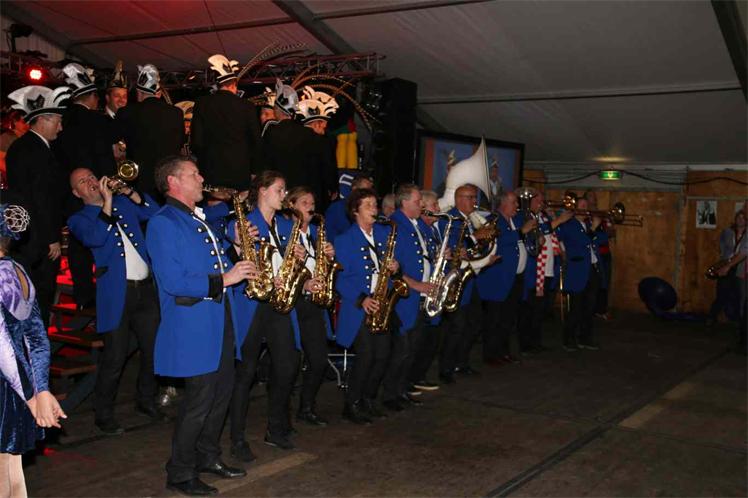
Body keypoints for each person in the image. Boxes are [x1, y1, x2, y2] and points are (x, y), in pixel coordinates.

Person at [146, 156, 255, 496]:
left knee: (221, 394)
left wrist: (237, 249)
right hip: (192, 325)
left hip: (219, 320)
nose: (201, 177)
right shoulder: (163, 222)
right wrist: (226, 278)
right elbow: (174, 280)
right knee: (199, 402)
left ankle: (208, 456)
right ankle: (179, 472)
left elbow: (215, 260)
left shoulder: (196, 218)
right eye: (194, 174)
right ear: (173, 182)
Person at [67, 168, 162, 435]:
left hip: (145, 290)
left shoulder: (123, 204)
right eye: (82, 182)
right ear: (76, 193)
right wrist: (107, 203)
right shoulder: (78, 219)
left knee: (153, 350)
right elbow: (96, 237)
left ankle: (146, 400)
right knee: (114, 357)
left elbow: (154, 213)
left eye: (91, 177)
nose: (90, 182)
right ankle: (104, 413)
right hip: (116, 295)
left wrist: (129, 192)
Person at [228, 171, 308, 454]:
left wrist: (297, 258)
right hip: (252, 303)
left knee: (287, 365)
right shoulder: (244, 222)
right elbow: (233, 252)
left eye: (285, 190)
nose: (284, 195)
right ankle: (237, 439)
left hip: (278, 302)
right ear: (262, 191)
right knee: (245, 373)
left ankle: (276, 427)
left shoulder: (286, 225)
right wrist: (238, 241)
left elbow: (290, 262)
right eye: (279, 189)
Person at [0, 203, 66, 497]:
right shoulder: (17, 271)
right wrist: (40, 389)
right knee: (10, 469)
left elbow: (3, 346)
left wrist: (32, 397)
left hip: (9, 386)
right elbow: (37, 337)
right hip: (13, 388)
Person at [5, 85, 71, 327]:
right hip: (37, 242)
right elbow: (39, 198)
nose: (60, 128)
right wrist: (51, 237)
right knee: (39, 298)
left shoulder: (26, 146)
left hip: (28, 238)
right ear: (44, 119)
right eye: (58, 122)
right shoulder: (35, 150)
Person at [334, 187, 399, 424]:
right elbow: (340, 278)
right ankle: (351, 403)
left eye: (375, 204)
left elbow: (388, 269)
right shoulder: (344, 240)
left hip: (381, 303)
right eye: (368, 205)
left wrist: (395, 268)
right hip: (358, 306)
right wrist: (362, 299)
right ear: (355, 211)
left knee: (382, 355)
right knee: (367, 355)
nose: (375, 209)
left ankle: (368, 399)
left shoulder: (383, 234)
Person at [383, 184, 437, 411]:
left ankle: (402, 390)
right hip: (404, 296)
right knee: (401, 350)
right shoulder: (394, 225)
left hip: (418, 296)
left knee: (412, 349)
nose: (421, 205)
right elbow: (390, 267)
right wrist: (417, 285)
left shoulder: (416, 224)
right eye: (417, 201)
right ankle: (389, 395)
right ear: (404, 202)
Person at [286, 187, 336, 426]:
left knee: (318, 360)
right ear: (291, 206)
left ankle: (306, 407)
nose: (311, 207)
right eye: (304, 202)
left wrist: (329, 257)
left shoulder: (317, 232)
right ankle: (282, 412)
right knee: (289, 363)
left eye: (313, 203)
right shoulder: (284, 231)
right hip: (292, 303)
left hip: (314, 305)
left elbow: (324, 267)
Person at [438, 184, 495, 382]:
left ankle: (461, 362)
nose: (474, 201)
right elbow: (454, 247)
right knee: (456, 326)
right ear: (459, 199)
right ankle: (446, 368)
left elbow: (469, 251)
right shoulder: (451, 219)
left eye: (474, 197)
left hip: (469, 277)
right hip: (456, 278)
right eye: (470, 197)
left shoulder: (470, 219)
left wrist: (484, 253)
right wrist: (475, 237)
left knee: (473, 323)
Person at [477, 190, 536, 365]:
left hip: (515, 277)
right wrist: (522, 232)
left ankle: (503, 351)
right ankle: (491, 355)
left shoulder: (515, 220)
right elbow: (499, 239)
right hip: (498, 278)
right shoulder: (493, 220)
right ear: (503, 203)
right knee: (494, 319)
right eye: (513, 202)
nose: (517, 205)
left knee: (508, 318)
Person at [191, 54, 261, 191]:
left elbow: (196, 141)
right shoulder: (247, 106)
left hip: (210, 169)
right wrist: (254, 170)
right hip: (239, 170)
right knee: (238, 203)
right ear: (234, 85)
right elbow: (256, 141)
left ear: (218, 85)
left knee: (212, 203)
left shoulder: (202, 104)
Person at [115, 64, 184, 197]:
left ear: (139, 93)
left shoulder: (126, 112)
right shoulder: (176, 112)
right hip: (168, 178)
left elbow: (114, 143)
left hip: (139, 179)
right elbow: (180, 143)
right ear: (158, 93)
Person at [519, 191, 573, 353]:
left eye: (542, 201)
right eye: (538, 201)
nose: (541, 204)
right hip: (535, 272)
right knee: (530, 310)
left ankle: (536, 342)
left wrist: (554, 218)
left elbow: (558, 235)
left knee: (540, 310)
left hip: (548, 270)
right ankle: (526, 344)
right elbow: (535, 232)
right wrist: (558, 220)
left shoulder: (544, 217)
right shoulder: (526, 217)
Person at [556, 197, 604, 351]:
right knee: (575, 308)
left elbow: (601, 240)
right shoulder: (569, 225)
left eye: (586, 205)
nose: (585, 208)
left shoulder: (588, 224)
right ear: (574, 208)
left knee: (589, 308)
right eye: (582, 206)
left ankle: (585, 338)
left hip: (592, 269)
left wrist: (599, 227)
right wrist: (594, 228)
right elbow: (582, 241)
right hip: (577, 270)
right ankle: (568, 339)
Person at [408, 190, 444, 392]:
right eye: (434, 205)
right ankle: (411, 378)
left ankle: (418, 376)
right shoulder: (419, 228)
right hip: (420, 292)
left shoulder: (432, 230)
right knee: (418, 341)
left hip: (431, 289)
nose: (438, 208)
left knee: (430, 339)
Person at [296, 86, 340, 212]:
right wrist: (333, 188)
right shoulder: (322, 142)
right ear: (316, 124)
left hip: (296, 193)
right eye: (323, 126)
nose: (324, 130)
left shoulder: (293, 138)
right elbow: (328, 167)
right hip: (316, 194)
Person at [708, 210, 745, 325]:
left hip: (741, 267)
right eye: (738, 217)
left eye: (743, 218)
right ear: (735, 219)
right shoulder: (727, 232)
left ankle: (739, 320)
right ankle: (712, 316)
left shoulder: (747, 234)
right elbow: (722, 246)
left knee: (740, 295)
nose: (740, 220)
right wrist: (725, 259)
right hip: (726, 265)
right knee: (721, 293)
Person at [324, 174, 374, 243]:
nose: (369, 195)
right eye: (365, 191)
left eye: (370, 192)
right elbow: (330, 237)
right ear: (354, 189)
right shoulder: (336, 208)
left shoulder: (372, 210)